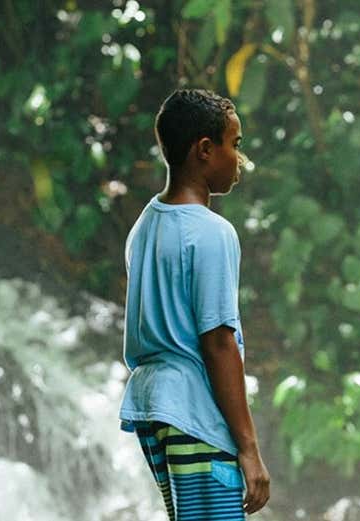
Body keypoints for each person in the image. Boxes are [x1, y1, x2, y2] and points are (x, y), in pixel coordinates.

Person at [119, 89, 270, 520]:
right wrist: (249, 449)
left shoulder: (146, 224)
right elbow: (218, 343)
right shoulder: (211, 233)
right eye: (234, 145)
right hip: (193, 411)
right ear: (205, 150)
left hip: (155, 407)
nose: (239, 159)